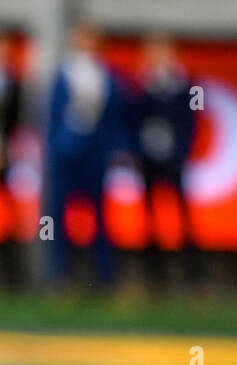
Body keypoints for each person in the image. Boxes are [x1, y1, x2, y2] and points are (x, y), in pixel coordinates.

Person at [44, 21, 123, 290]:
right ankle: (60, 278)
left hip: (95, 155)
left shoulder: (107, 76)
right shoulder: (64, 74)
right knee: (57, 217)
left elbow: (113, 119)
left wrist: (110, 150)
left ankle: (105, 278)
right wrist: (56, 148)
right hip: (66, 154)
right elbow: (53, 116)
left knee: (100, 217)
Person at [133, 34, 202, 295]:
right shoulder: (143, 85)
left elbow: (191, 121)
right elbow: (135, 121)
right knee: (150, 220)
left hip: (173, 160)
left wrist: (182, 152)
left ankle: (194, 278)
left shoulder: (184, 85)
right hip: (149, 160)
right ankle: (155, 278)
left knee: (183, 219)